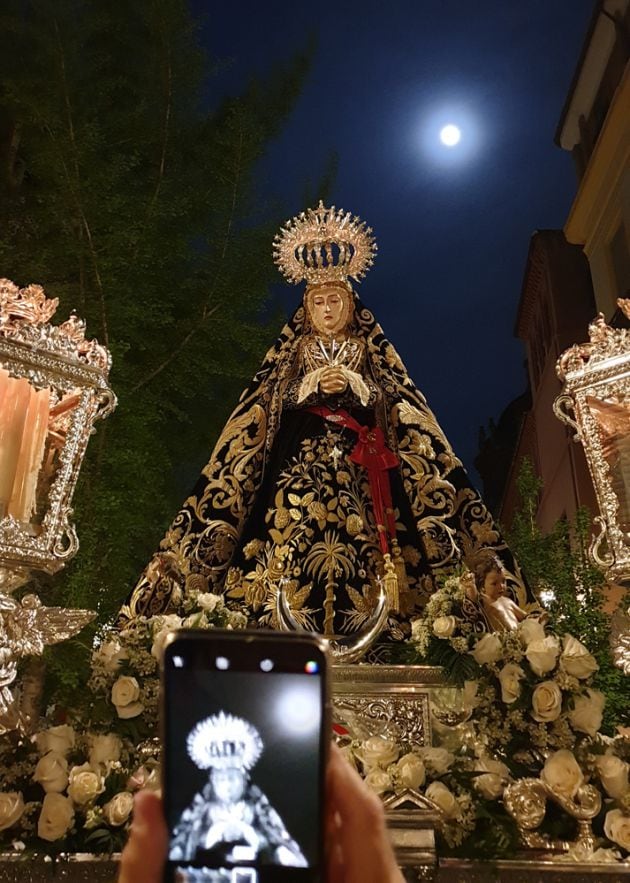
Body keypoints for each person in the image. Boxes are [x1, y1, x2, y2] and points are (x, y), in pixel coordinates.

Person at [120, 203, 533, 655]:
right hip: (299, 461)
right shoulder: (295, 352)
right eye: (317, 302)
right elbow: (266, 403)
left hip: (362, 457)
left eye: (335, 300)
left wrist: (361, 387)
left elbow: (397, 404)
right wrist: (308, 386)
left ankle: (384, 630)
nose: (327, 308)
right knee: (285, 535)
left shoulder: (366, 349)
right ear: (306, 309)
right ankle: (271, 626)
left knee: (373, 540)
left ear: (350, 305)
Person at [118, 743, 404, 883]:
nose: (227, 784)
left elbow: (285, 848)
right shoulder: (198, 812)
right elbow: (180, 848)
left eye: (234, 776)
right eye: (221, 776)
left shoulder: (259, 810)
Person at [170, 711, 306, 870]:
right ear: (213, 782)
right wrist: (212, 836)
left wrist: (251, 834)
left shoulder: (255, 808)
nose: (227, 786)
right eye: (221, 780)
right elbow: (185, 844)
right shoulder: (203, 811)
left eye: (233, 779)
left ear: (244, 780)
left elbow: (276, 839)